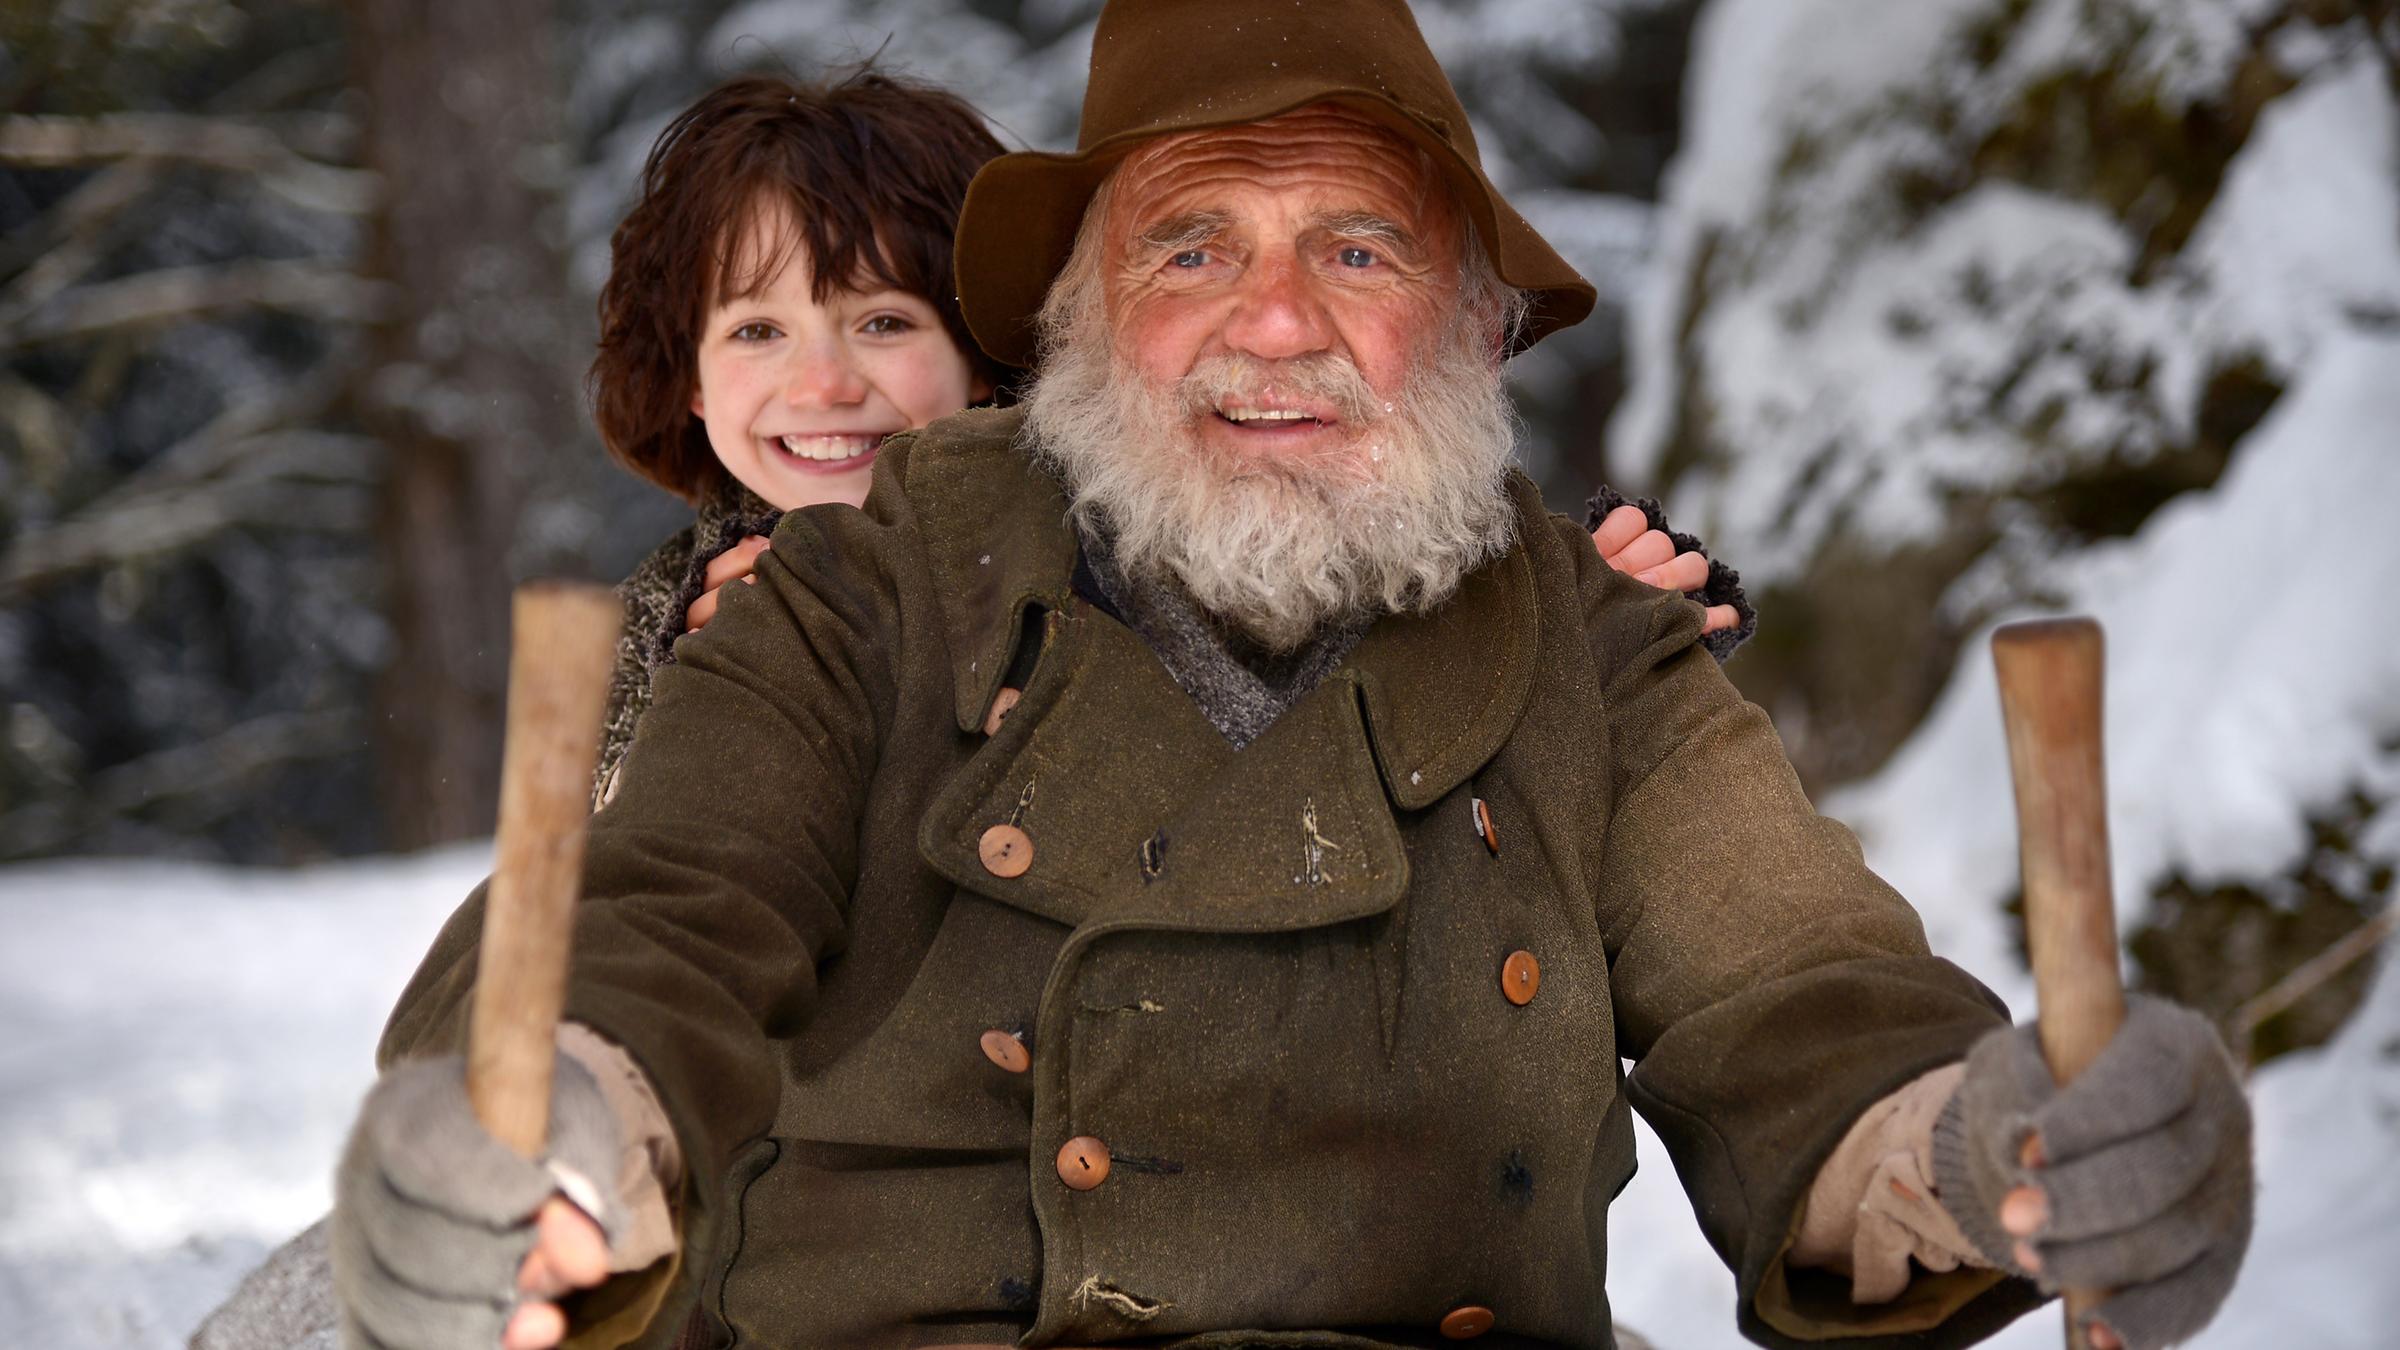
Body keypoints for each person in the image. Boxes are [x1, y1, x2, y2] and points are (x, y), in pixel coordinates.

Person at [329, 6, 2259, 1349]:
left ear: (1476, 326)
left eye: (1356, 242)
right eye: (1192, 243)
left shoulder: (1587, 638)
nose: (1275, 320)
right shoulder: (877, 577)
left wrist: (1990, 1144)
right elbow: (675, 901)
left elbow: (1798, 995)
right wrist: (562, 1124)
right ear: (1080, 313)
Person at [193, 59, 1753, 1350]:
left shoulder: (1119, 560)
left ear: (1013, 353)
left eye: (884, 322)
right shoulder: (700, 619)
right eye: (757, 331)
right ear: (683, 377)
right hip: (701, 1212)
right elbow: (601, 936)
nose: (827, 386)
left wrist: (1588, 642)